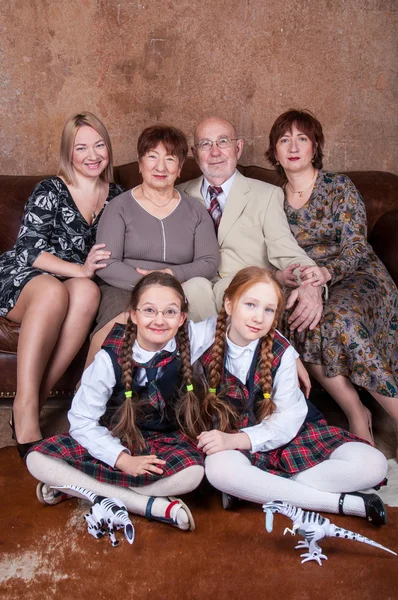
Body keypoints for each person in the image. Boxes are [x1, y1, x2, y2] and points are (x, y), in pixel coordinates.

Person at [198, 266, 388, 525]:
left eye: (269, 310)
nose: (258, 318)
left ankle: (259, 488)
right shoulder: (201, 335)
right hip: (229, 438)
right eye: (250, 305)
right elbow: (159, 333)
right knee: (219, 470)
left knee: (374, 464)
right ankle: (347, 504)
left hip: (286, 434)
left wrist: (241, 440)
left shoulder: (281, 352)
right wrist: (128, 320)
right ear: (229, 304)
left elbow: (286, 421)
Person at [26, 272, 216, 531]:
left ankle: (82, 488)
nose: (159, 320)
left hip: (165, 442)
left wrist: (290, 356)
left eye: (170, 312)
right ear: (133, 315)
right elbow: (81, 421)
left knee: (194, 473)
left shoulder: (190, 339)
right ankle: (149, 505)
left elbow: (240, 323)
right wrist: (121, 459)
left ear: (182, 318)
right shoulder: (109, 359)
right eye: (149, 310)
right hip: (114, 438)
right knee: (36, 460)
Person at [265, 109, 398, 457]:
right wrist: (288, 277)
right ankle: (357, 413)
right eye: (284, 139)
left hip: (358, 276)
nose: (293, 146)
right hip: (306, 283)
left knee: (339, 319)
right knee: (299, 320)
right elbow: (270, 254)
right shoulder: (271, 200)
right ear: (275, 151)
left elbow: (356, 247)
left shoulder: (338, 186)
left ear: (315, 146)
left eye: (302, 138)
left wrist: (326, 274)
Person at [0, 112, 123, 458]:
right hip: (24, 275)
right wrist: (79, 269)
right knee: (57, 289)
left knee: (88, 292)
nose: (92, 155)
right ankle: (25, 409)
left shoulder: (117, 196)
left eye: (99, 145)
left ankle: (37, 399)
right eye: (81, 147)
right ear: (68, 153)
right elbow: (28, 249)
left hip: (74, 283)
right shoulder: (51, 189)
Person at [86, 124, 219, 366]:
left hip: (179, 289)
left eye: (170, 159)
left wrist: (171, 276)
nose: (160, 167)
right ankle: (85, 393)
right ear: (140, 163)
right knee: (122, 323)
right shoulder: (119, 206)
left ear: (179, 169)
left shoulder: (196, 210)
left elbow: (209, 262)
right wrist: (150, 285)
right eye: (152, 157)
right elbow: (106, 263)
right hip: (125, 288)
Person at [176, 116, 324, 332]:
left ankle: (216, 358)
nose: (215, 152)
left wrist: (312, 283)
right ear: (194, 153)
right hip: (196, 287)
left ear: (238, 147)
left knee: (237, 291)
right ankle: (218, 360)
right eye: (206, 144)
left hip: (244, 287)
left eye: (223, 141)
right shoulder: (179, 194)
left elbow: (287, 249)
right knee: (193, 287)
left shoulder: (266, 195)